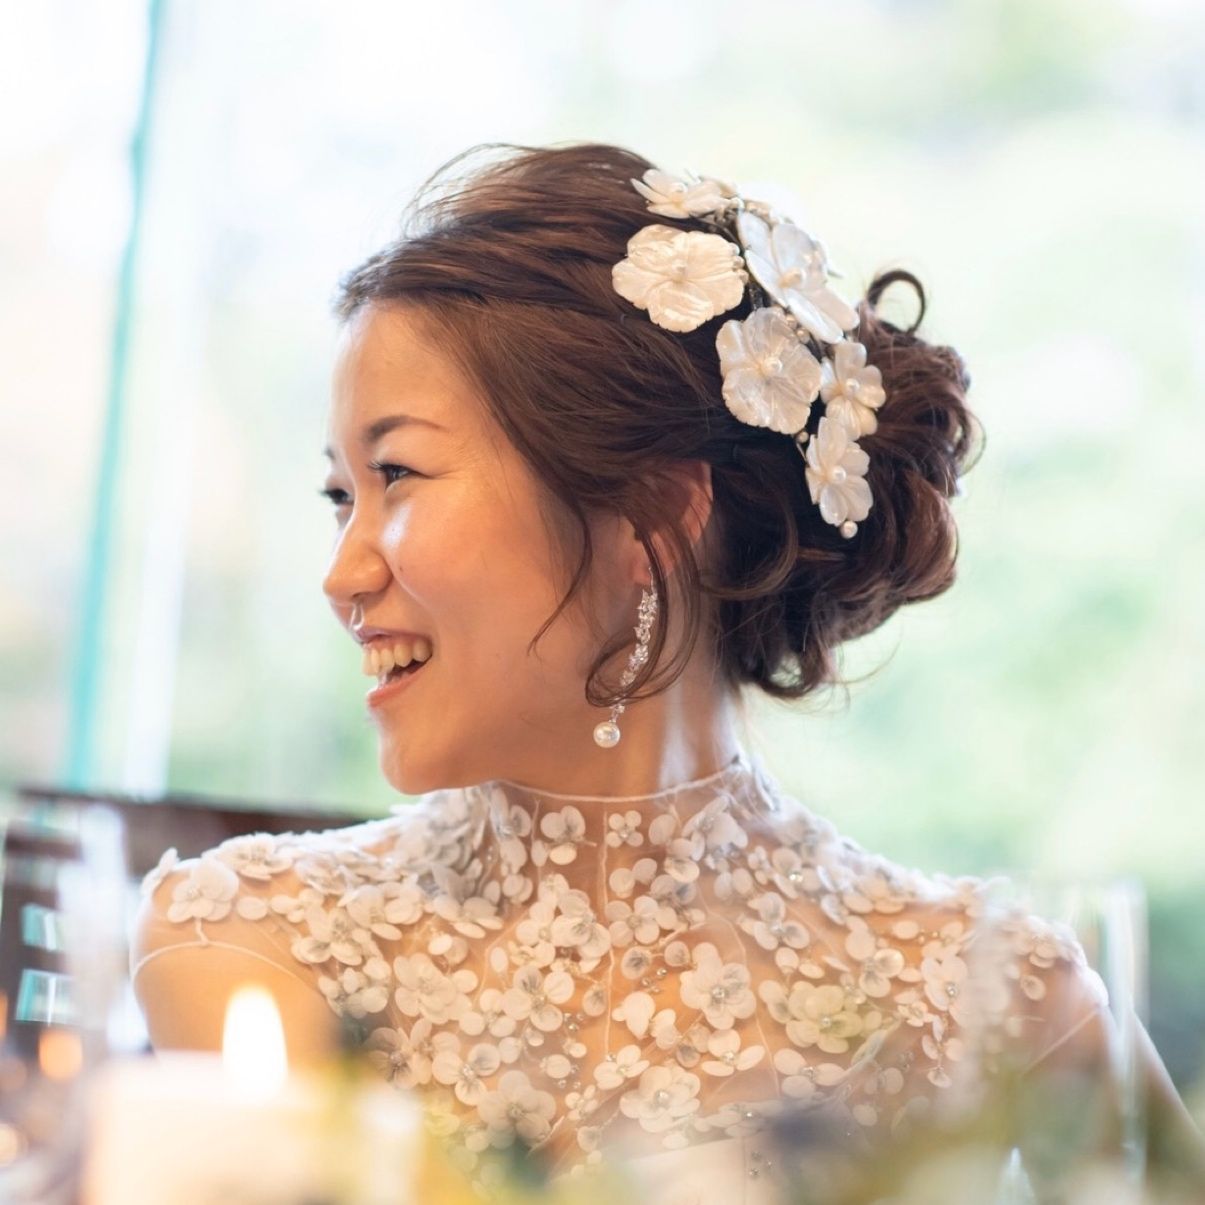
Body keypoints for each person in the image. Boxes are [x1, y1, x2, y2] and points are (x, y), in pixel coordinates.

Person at [129, 141, 1202, 1201]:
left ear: (652, 513)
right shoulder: (245, 942)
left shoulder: (994, 996)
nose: (343, 574)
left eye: (397, 474)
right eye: (340, 495)